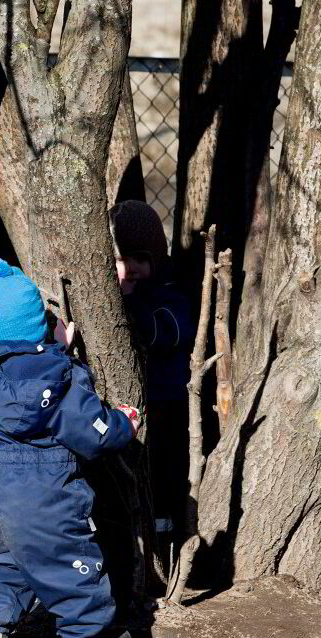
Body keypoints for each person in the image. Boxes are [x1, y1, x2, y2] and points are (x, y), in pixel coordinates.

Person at [0, 259, 143, 638]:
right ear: (40, 324)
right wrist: (124, 423)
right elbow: (92, 435)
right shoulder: (61, 374)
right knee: (67, 558)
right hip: (46, 489)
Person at [111, 200, 196, 537]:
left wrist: (131, 300)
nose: (129, 268)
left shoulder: (169, 291)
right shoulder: (114, 291)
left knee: (166, 462)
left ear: (156, 258)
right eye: (120, 259)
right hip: (132, 402)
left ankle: (165, 521)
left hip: (167, 398)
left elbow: (164, 334)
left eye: (139, 259)